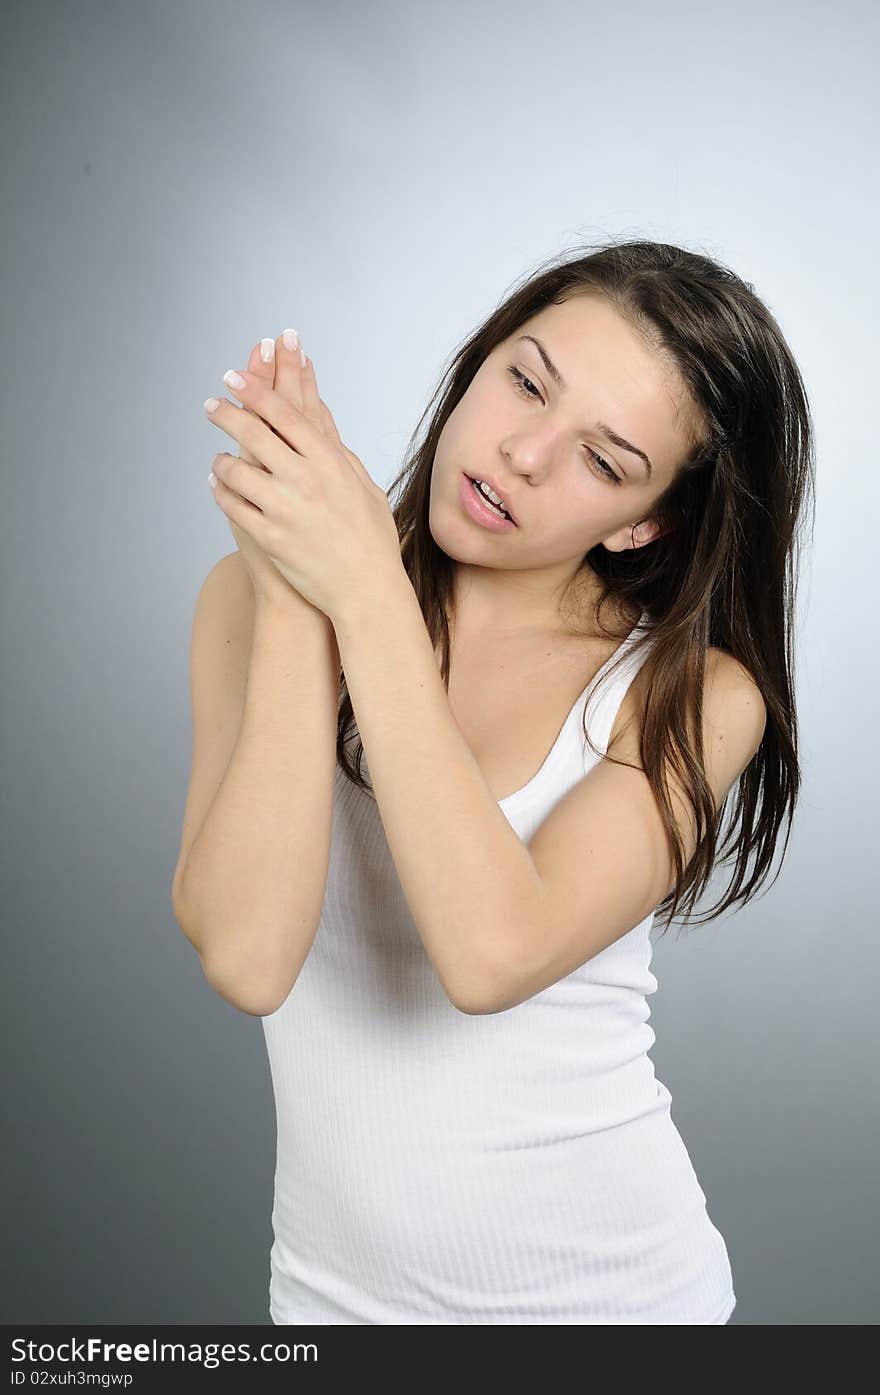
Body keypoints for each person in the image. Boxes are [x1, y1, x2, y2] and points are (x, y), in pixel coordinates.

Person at [173, 238, 811, 1324]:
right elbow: (245, 956)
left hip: (617, 1311)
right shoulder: (249, 602)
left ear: (641, 522)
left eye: (604, 461)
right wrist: (295, 604)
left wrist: (365, 589)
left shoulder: (688, 696)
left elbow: (490, 952)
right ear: (479, 362)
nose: (520, 455)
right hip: (328, 1307)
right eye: (524, 380)